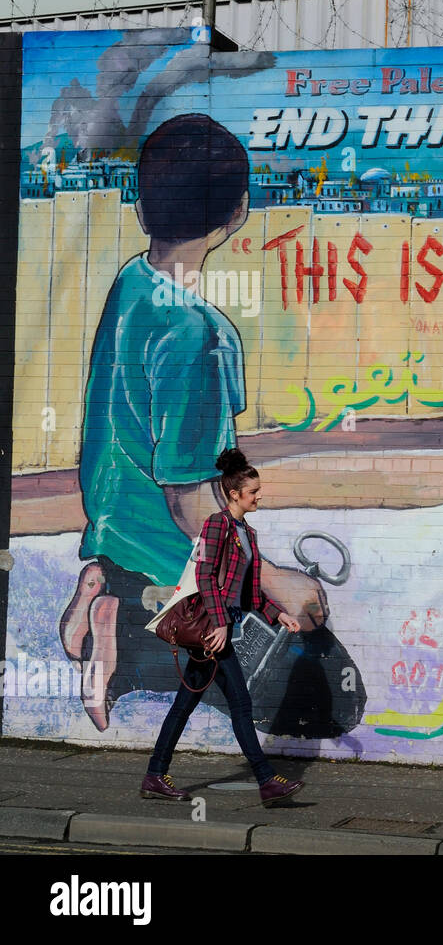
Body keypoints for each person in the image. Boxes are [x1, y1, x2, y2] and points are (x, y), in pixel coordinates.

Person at [60, 112, 328, 731]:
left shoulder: (132, 282)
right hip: (172, 556)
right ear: (234, 217)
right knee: (324, 701)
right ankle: (128, 630)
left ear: (143, 203)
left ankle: (108, 583)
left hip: (114, 526)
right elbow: (187, 500)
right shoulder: (202, 337)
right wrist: (271, 580)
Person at [141, 448, 306, 806]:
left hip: (219, 629)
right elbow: (204, 575)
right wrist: (219, 625)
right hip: (211, 632)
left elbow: (247, 591)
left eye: (258, 490)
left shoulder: (247, 532)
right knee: (242, 705)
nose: (259, 495)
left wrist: (278, 614)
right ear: (234, 494)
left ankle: (155, 774)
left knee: (185, 704)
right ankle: (266, 780)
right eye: (253, 492)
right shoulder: (217, 524)